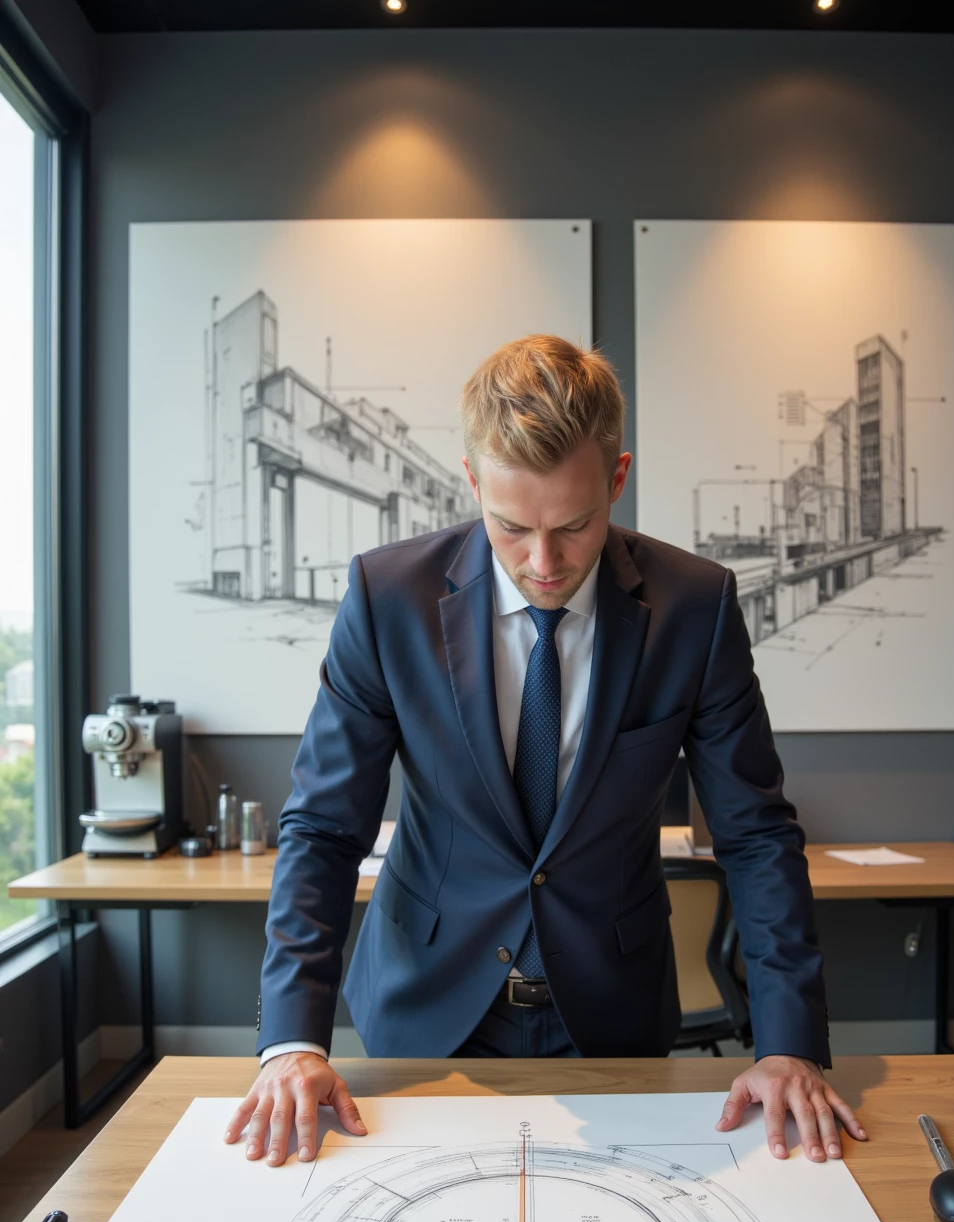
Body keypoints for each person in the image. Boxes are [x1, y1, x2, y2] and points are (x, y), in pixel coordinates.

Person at [224, 335, 866, 1169]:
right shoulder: (388, 599)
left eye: (575, 525)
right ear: (471, 482)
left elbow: (754, 833)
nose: (544, 563)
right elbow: (323, 828)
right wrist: (290, 1044)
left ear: (619, 479)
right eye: (510, 527)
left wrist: (789, 1045)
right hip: (425, 1007)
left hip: (611, 1010)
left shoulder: (696, 607)